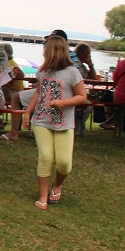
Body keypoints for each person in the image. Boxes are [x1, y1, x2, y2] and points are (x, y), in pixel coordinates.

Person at [26, 34, 88, 211]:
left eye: (45, 50)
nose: (43, 53)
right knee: (45, 157)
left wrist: (63, 103)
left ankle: (57, 185)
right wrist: (27, 113)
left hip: (64, 124)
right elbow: (38, 93)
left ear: (53, 51)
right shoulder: (43, 71)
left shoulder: (72, 72)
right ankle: (42, 196)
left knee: (64, 162)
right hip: (41, 121)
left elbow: (82, 96)